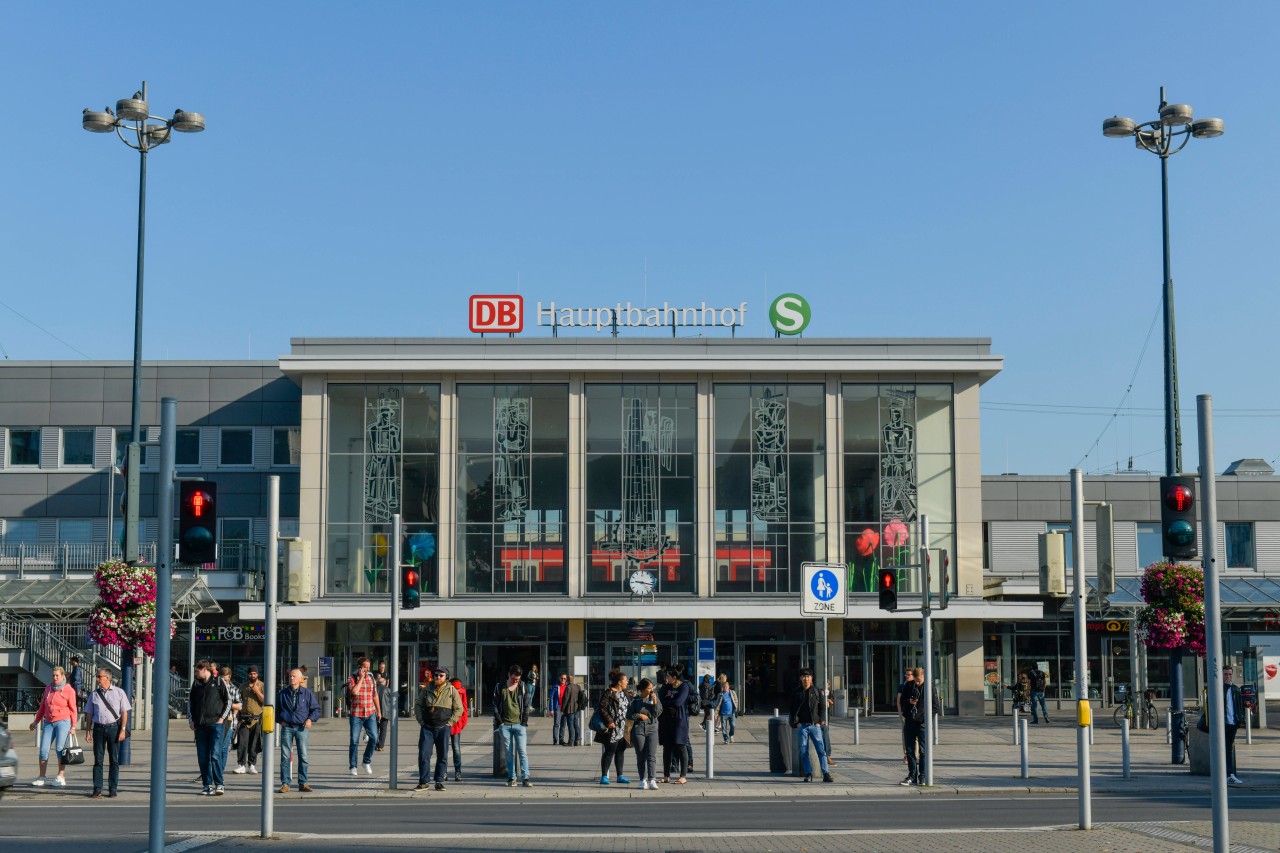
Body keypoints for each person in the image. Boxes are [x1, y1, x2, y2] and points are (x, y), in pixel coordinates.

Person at [414, 667, 463, 791]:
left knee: (442, 755)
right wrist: (421, 721)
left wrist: (450, 723)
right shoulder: (427, 689)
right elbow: (418, 705)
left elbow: (459, 709)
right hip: (427, 728)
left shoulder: (451, 690)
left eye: (441, 675)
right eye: (436, 675)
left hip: (443, 727)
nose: (438, 677)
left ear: (446, 677)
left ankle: (439, 781)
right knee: (424, 754)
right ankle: (423, 781)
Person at [187, 660, 232, 795]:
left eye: (197, 671)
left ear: (205, 669)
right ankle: (207, 785)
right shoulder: (196, 684)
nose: (195, 673)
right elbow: (190, 703)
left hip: (216, 724)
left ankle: (219, 784)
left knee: (215, 755)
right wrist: (191, 720)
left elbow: (228, 701)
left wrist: (221, 719)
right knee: (202, 757)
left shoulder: (218, 682)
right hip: (200, 725)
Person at [29, 665, 78, 787]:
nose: (55, 677)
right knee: (43, 750)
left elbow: (73, 709)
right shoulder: (48, 688)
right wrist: (36, 721)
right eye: (53, 675)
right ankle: (42, 777)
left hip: (63, 722)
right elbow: (43, 707)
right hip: (48, 722)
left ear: (63, 676)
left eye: (57, 675)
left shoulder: (69, 690)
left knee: (60, 750)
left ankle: (60, 776)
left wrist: (73, 727)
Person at [85, 668, 130, 798]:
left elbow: (124, 712)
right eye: (97, 676)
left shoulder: (119, 692)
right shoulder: (94, 694)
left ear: (107, 678)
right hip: (98, 728)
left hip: (113, 729)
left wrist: (122, 729)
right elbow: (89, 714)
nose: (97, 679)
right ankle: (97, 788)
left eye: (99, 676)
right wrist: (88, 731)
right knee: (98, 760)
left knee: (113, 760)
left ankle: (112, 788)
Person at [277, 667, 321, 793]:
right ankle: (285, 783)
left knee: (303, 756)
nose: (291, 678)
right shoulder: (283, 693)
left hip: (302, 728)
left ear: (300, 679)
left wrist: (310, 719)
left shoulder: (307, 693)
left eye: (294, 676)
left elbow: (316, 709)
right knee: (285, 757)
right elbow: (275, 710)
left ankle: (303, 783)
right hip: (287, 728)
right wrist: (281, 721)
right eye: (290, 676)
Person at [789, 668, 832, 783]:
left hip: (814, 725)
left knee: (821, 750)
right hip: (802, 726)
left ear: (811, 678)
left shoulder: (817, 691)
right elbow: (792, 709)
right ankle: (808, 773)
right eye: (803, 677)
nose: (805, 679)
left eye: (808, 677)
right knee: (803, 751)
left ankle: (826, 773)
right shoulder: (796, 692)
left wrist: (820, 722)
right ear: (800, 678)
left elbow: (823, 707)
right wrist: (795, 723)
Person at [492, 664, 532, 787]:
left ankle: (526, 778)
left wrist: (524, 722)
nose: (516, 681)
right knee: (509, 754)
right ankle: (511, 778)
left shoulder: (523, 686)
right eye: (514, 678)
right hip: (505, 725)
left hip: (519, 725)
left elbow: (526, 705)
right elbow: (495, 705)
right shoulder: (500, 687)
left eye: (518, 679)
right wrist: (500, 722)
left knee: (522, 752)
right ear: (509, 674)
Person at [346, 657, 382, 776]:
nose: (367, 669)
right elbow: (354, 692)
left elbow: (375, 695)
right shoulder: (352, 678)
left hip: (370, 713)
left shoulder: (371, 678)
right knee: (354, 741)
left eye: (368, 667)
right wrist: (361, 678)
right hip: (356, 714)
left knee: (374, 738)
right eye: (365, 667)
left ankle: (366, 761)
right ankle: (353, 766)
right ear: (360, 667)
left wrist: (379, 711)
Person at [595, 669, 631, 785]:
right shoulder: (609, 693)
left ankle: (620, 776)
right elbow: (602, 708)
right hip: (613, 727)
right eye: (625, 680)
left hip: (624, 727)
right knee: (610, 751)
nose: (627, 682)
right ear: (620, 682)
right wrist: (609, 721)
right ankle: (604, 776)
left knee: (620, 751)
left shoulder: (625, 692)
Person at [656, 666, 690, 784]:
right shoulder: (666, 686)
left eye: (668, 676)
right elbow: (659, 700)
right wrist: (667, 704)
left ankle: (683, 776)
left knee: (681, 746)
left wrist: (666, 703)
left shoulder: (684, 686)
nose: (666, 678)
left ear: (674, 677)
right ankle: (666, 776)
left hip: (679, 721)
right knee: (667, 748)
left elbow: (678, 702)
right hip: (665, 720)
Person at [627, 677, 662, 789]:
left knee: (651, 755)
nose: (651, 690)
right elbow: (629, 715)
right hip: (638, 728)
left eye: (652, 688)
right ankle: (643, 779)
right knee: (641, 755)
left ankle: (652, 779)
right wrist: (639, 716)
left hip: (652, 728)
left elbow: (657, 713)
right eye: (649, 688)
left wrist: (655, 701)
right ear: (642, 689)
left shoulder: (655, 697)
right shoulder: (635, 700)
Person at [898, 666, 927, 786]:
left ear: (923, 677)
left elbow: (935, 706)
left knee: (923, 751)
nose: (918, 682)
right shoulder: (909, 686)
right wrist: (909, 702)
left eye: (919, 680)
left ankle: (923, 776)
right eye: (916, 680)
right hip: (910, 721)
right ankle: (912, 776)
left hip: (922, 723)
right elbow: (902, 701)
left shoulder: (928, 687)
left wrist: (927, 720)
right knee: (909, 750)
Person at [234, 666, 265, 774]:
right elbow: (238, 702)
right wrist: (236, 717)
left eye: (254, 673)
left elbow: (265, 701)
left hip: (256, 719)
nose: (253, 675)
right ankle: (241, 764)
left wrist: (256, 691)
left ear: (257, 674)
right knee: (242, 742)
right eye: (251, 673)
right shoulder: (242, 687)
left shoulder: (262, 686)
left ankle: (251, 764)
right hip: (244, 719)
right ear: (248, 674)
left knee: (254, 743)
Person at [216, 667, 242, 784]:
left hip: (229, 722)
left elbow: (239, 706)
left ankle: (219, 773)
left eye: (224, 676)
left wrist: (227, 704)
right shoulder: (215, 688)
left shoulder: (234, 689)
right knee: (216, 749)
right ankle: (216, 773)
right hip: (216, 721)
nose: (222, 678)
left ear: (229, 677)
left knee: (224, 749)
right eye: (221, 676)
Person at [1221, 665, 1246, 785]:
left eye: (1230, 674)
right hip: (1222, 724)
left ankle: (1229, 774)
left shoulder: (1236, 689)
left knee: (1229, 748)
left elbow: (1239, 707)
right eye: (1226, 674)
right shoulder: (1219, 689)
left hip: (1232, 723)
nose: (1228, 677)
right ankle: (1226, 774)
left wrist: (1240, 720)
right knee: (1222, 749)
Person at [449, 676, 470, 781]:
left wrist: (462, 723)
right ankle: (443, 772)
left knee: (456, 748)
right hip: (444, 723)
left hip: (456, 724)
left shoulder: (462, 693)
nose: (457, 691)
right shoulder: (446, 691)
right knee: (443, 749)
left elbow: (464, 709)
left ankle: (458, 772)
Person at [549, 673, 571, 743]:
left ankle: (561, 739)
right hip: (557, 707)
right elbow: (551, 698)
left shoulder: (568, 686)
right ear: (559, 678)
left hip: (565, 708)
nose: (563, 680)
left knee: (563, 724)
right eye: (562, 678)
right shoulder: (555, 686)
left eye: (564, 679)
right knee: (556, 724)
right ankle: (555, 740)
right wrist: (551, 709)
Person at [716, 679, 739, 744]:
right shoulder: (720, 694)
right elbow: (717, 704)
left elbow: (736, 701)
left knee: (733, 726)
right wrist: (716, 713)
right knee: (723, 727)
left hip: (731, 713)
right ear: (722, 687)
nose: (725, 688)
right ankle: (726, 739)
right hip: (723, 713)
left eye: (726, 686)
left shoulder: (732, 692)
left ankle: (731, 735)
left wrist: (736, 708)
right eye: (723, 687)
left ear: (728, 687)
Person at [375, 674, 394, 751]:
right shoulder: (387, 689)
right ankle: (381, 746)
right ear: (384, 682)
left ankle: (375, 744)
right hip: (385, 713)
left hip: (374, 713)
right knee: (383, 730)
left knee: (375, 730)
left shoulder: (374, 689)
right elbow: (396, 697)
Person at [68, 656, 86, 728]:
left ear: (74, 661)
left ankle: (87, 704)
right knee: (77, 699)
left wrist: (72, 678)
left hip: (76, 686)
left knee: (79, 698)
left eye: (71, 661)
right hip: (77, 686)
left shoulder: (77, 668)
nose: (70, 662)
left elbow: (76, 678)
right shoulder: (76, 668)